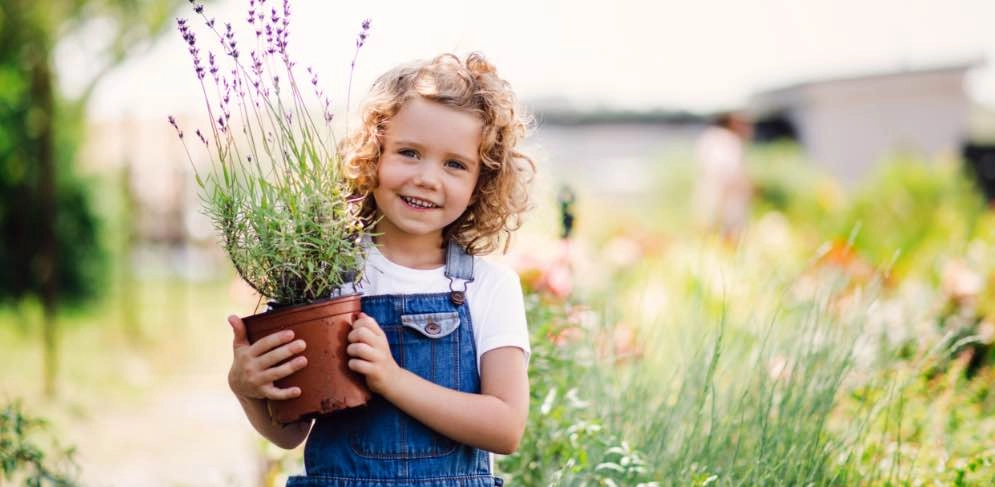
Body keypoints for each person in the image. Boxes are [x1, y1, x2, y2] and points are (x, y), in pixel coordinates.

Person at [227, 52, 535, 486]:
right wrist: (248, 388)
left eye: (455, 164)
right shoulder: (325, 278)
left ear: (480, 184)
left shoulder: (489, 287)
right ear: (373, 155)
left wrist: (392, 379)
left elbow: (504, 427)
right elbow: (290, 432)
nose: (428, 178)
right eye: (409, 153)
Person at [693, 112, 753, 241]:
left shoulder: (709, 137)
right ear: (732, 122)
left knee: (710, 238)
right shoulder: (727, 140)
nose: (749, 129)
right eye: (745, 124)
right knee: (727, 239)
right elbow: (727, 174)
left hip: (711, 195)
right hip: (726, 200)